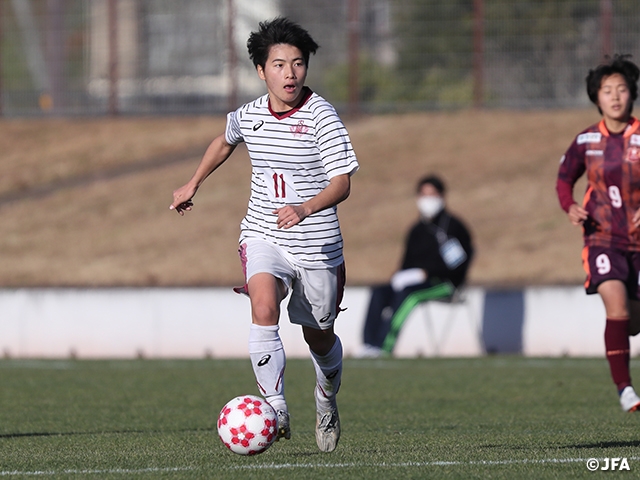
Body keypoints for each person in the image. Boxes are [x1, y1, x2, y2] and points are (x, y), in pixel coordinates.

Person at [169, 17, 359, 452]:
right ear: (261, 70)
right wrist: (192, 183)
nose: (290, 73)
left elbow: (342, 182)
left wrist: (306, 207)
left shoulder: (321, 117)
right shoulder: (251, 114)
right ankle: (274, 406)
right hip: (263, 232)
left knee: (319, 336)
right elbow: (224, 140)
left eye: (297, 63)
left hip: (317, 244)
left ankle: (326, 397)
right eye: (279, 65)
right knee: (263, 303)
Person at [556, 54, 640, 412]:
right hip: (602, 237)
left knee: (633, 321)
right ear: (597, 97)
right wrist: (571, 206)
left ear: (632, 94)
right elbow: (564, 180)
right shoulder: (586, 140)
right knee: (616, 304)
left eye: (622, 89)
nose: (616, 96)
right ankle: (625, 389)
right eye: (608, 90)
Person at [359, 174, 474, 357]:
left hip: (444, 284)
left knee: (409, 295)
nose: (427, 200)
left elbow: (459, 265)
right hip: (415, 280)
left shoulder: (453, 227)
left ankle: (383, 348)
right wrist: (401, 275)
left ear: (442, 197)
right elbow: (406, 263)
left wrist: (427, 273)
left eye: (432, 195)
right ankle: (368, 345)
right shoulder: (416, 230)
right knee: (380, 291)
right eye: (423, 195)